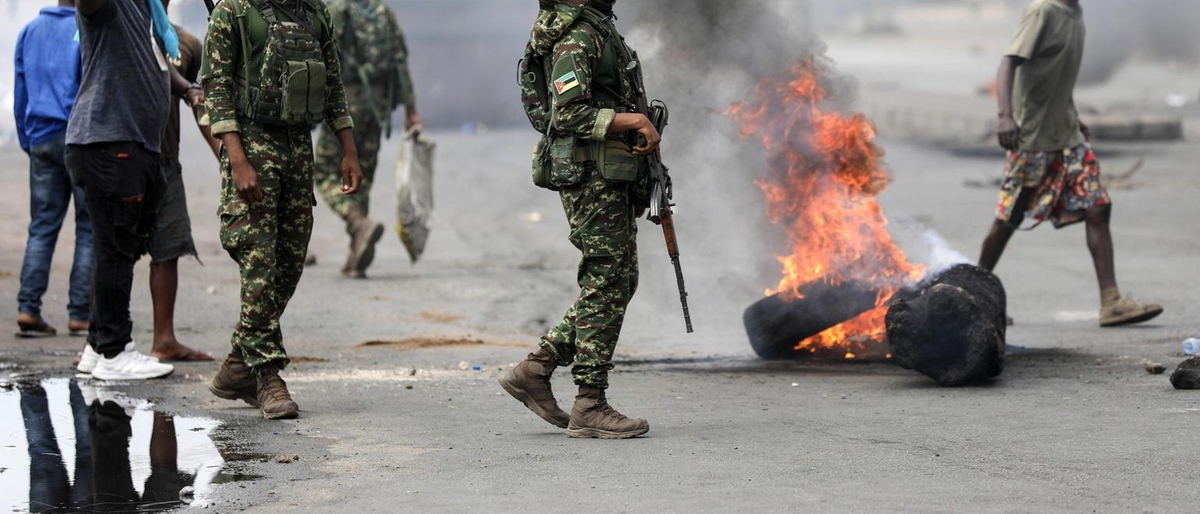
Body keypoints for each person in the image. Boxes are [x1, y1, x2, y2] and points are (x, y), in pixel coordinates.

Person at [500, 0, 660, 439]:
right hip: (590, 174)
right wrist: (635, 120)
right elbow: (567, 113)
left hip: (609, 172)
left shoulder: (598, 28)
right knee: (607, 277)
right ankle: (590, 402)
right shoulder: (577, 36)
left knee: (619, 280)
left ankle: (537, 367)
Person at [202, 0, 362, 419]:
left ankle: (238, 364)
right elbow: (216, 89)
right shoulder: (233, 12)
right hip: (252, 143)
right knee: (259, 261)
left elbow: (333, 83)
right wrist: (237, 159)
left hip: (297, 147)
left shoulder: (314, 12)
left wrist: (348, 148)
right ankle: (267, 376)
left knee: (289, 264)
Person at [980, 0, 1162, 327]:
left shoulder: (1076, 14)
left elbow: (1058, 77)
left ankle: (1112, 302)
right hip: (1031, 139)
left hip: (1067, 137)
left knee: (1098, 206)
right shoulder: (1043, 10)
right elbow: (1008, 63)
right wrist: (1005, 116)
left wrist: (1073, 117)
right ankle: (974, 295)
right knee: (1010, 217)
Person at [66, 0, 182, 380]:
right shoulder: (111, 5)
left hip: (134, 145)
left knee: (120, 248)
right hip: (110, 140)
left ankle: (98, 347)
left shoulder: (147, 10)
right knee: (116, 248)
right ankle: (116, 351)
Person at [313, 0, 420, 278]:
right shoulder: (383, 12)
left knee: (324, 172)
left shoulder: (338, 9)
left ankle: (358, 224)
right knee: (361, 175)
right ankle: (356, 252)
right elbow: (400, 60)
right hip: (378, 106)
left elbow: (323, 56)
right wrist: (411, 111)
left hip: (346, 101)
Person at [145, 0, 221, 363]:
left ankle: (164, 339)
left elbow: (202, 104)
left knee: (169, 247)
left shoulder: (186, 45)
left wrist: (228, 158)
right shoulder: (114, 29)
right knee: (110, 250)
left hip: (165, 159)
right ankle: (100, 343)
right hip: (121, 157)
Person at [13, 0, 92, 339]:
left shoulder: (29, 31)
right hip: (78, 137)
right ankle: (80, 313)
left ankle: (28, 308)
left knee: (42, 227)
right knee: (87, 227)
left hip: (40, 138)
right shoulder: (84, 28)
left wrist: (27, 139)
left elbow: (21, 93)